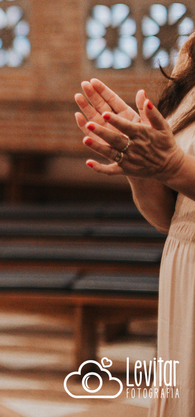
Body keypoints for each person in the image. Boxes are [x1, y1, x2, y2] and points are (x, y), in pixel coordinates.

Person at [76, 33, 195, 416]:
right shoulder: (193, 55)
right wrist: (141, 167)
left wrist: (176, 167)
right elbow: (169, 218)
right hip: (185, 267)